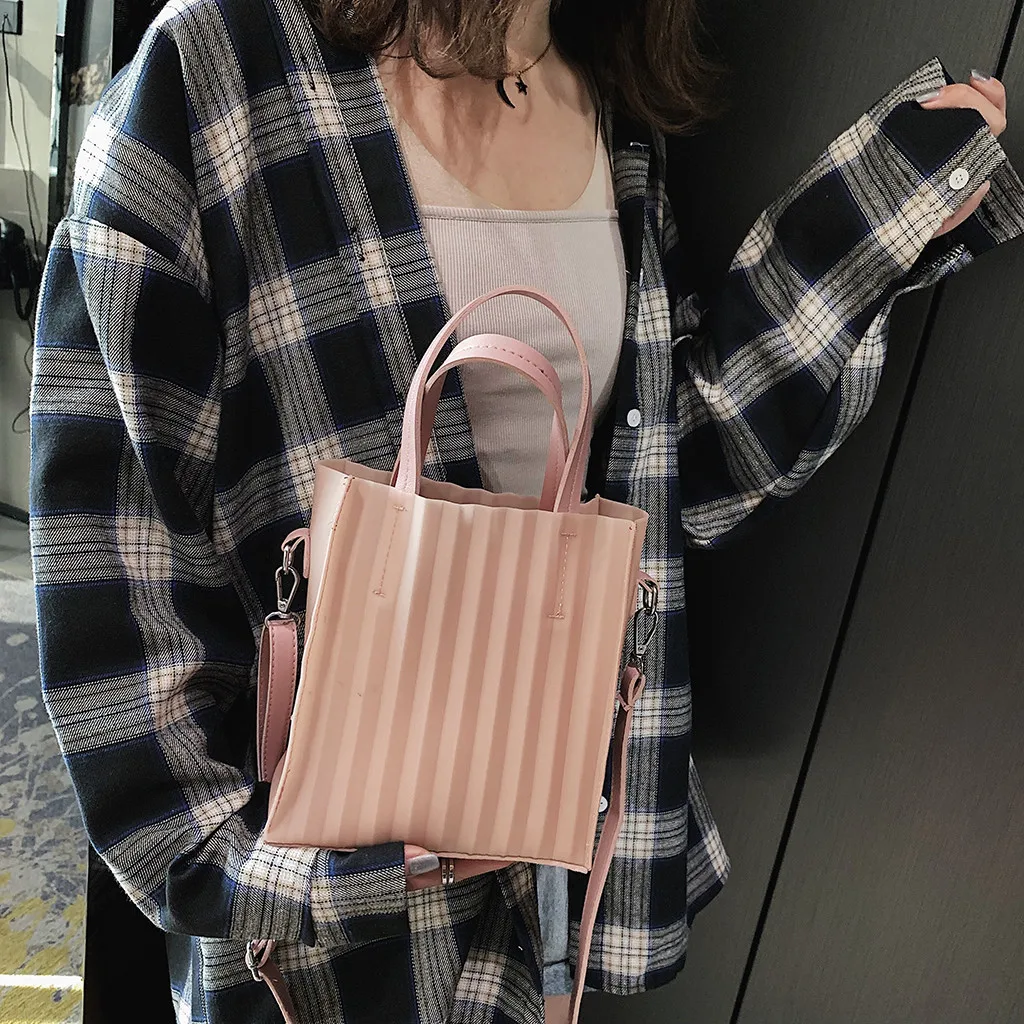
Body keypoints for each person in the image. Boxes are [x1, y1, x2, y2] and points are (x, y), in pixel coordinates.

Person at [29, 0, 1024, 1019]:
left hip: (544, 885)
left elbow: (667, 471)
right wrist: (296, 878)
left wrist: (866, 222)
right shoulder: (218, 70)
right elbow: (115, 573)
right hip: (327, 933)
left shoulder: (608, 107)